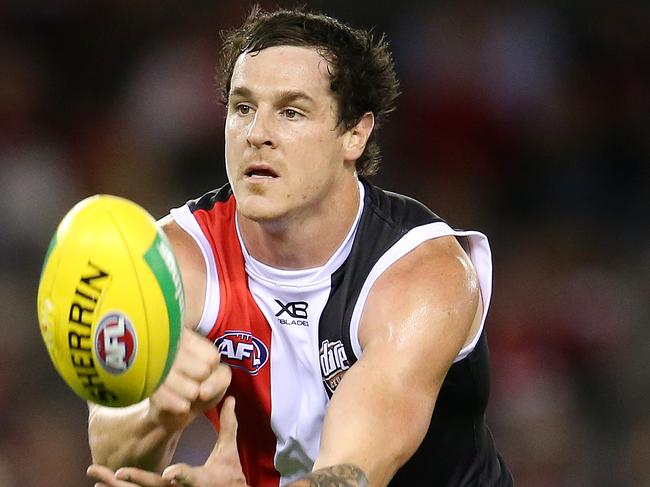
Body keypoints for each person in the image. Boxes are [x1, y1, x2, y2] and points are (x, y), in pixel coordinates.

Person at [86, 6, 512, 487]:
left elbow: (352, 472)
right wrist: (155, 409)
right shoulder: (170, 261)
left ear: (354, 133)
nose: (257, 135)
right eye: (243, 107)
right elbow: (110, 457)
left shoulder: (422, 273)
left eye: (291, 111)